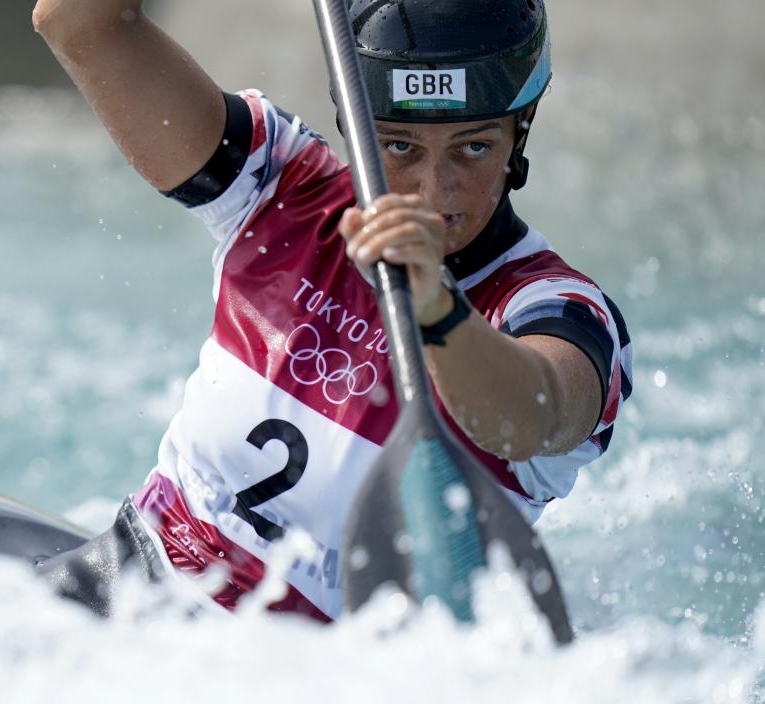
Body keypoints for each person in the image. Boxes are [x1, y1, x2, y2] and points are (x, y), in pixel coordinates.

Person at [35, 0, 633, 621]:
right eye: (399, 146)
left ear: (520, 132)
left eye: (474, 147)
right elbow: (76, 22)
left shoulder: (556, 308)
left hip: (327, 676)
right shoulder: (279, 189)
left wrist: (438, 308)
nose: (435, 191)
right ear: (354, 122)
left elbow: (533, 418)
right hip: (135, 576)